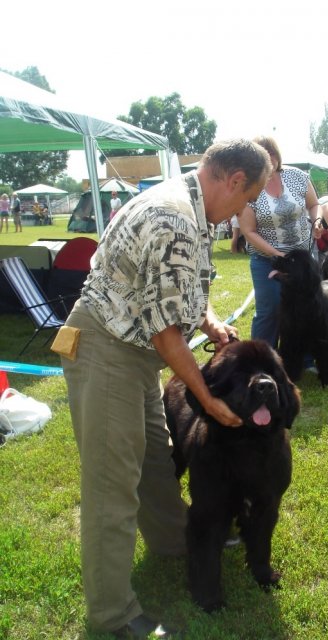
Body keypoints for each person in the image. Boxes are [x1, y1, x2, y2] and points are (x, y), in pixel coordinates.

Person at [56, 139, 271, 639]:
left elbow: (181, 291)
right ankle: (112, 615)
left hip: (131, 350)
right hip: (109, 349)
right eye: (244, 201)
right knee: (113, 487)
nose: (241, 213)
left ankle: (178, 541)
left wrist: (213, 323)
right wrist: (207, 399)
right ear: (234, 181)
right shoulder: (173, 217)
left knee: (157, 459)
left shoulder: (192, 210)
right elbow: (164, 331)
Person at [238, 136, 322, 348]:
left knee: (309, 306)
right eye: (264, 154)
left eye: (272, 153)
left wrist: (318, 220)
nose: (270, 159)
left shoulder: (298, 176)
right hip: (267, 259)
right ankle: (262, 358)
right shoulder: (248, 186)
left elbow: (314, 204)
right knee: (270, 311)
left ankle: (305, 356)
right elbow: (248, 231)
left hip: (303, 258)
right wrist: (277, 254)